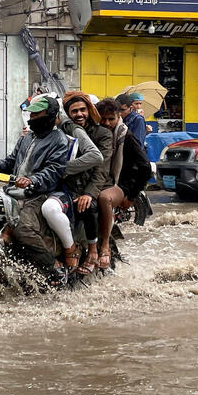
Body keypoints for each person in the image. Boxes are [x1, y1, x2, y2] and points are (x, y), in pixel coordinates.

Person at [0, 94, 71, 283]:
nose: (32, 118)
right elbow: (10, 162)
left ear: (50, 116)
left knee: (22, 230)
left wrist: (32, 180)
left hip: (38, 194)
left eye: (37, 115)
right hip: (12, 191)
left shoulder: (59, 140)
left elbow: (53, 170)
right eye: (31, 114)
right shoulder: (27, 137)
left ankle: (54, 267)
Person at [54, 91, 113, 277]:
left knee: (88, 206)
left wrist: (88, 193)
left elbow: (101, 169)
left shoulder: (102, 134)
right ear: (68, 114)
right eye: (74, 111)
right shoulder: (62, 132)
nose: (79, 114)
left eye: (82, 110)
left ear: (89, 110)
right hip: (69, 184)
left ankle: (94, 250)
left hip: (94, 184)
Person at [94, 98, 130, 270]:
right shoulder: (92, 134)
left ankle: (104, 245)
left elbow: (143, 167)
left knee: (103, 198)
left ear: (118, 117)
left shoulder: (125, 136)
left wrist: (130, 195)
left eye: (111, 119)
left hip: (116, 184)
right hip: (99, 181)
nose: (107, 123)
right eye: (103, 119)